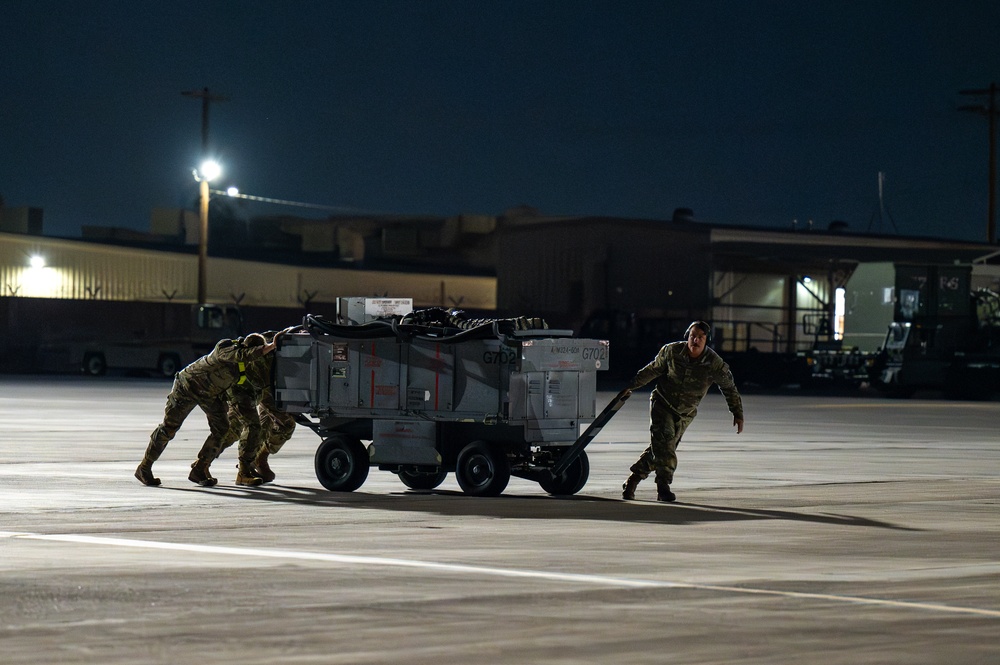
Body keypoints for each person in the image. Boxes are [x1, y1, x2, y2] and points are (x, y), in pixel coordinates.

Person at [134, 330, 288, 488]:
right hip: (187, 387)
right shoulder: (225, 349)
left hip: (210, 395)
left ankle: (199, 469)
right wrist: (270, 347)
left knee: (222, 429)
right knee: (169, 428)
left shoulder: (244, 366)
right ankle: (144, 468)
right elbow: (242, 355)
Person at [621, 321, 744, 502]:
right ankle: (663, 487)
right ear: (687, 336)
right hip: (662, 404)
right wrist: (631, 386)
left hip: (685, 414)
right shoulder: (671, 352)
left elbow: (729, 387)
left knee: (663, 448)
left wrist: (737, 412)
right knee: (665, 444)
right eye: (693, 335)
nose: (695, 340)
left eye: (700, 337)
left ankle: (632, 480)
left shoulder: (713, 363)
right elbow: (653, 369)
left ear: (706, 341)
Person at [212, 330, 297, 484]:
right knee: (235, 429)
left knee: (284, 425)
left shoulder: (282, 340)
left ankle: (259, 458)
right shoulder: (249, 349)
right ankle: (204, 462)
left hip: (268, 390)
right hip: (246, 390)